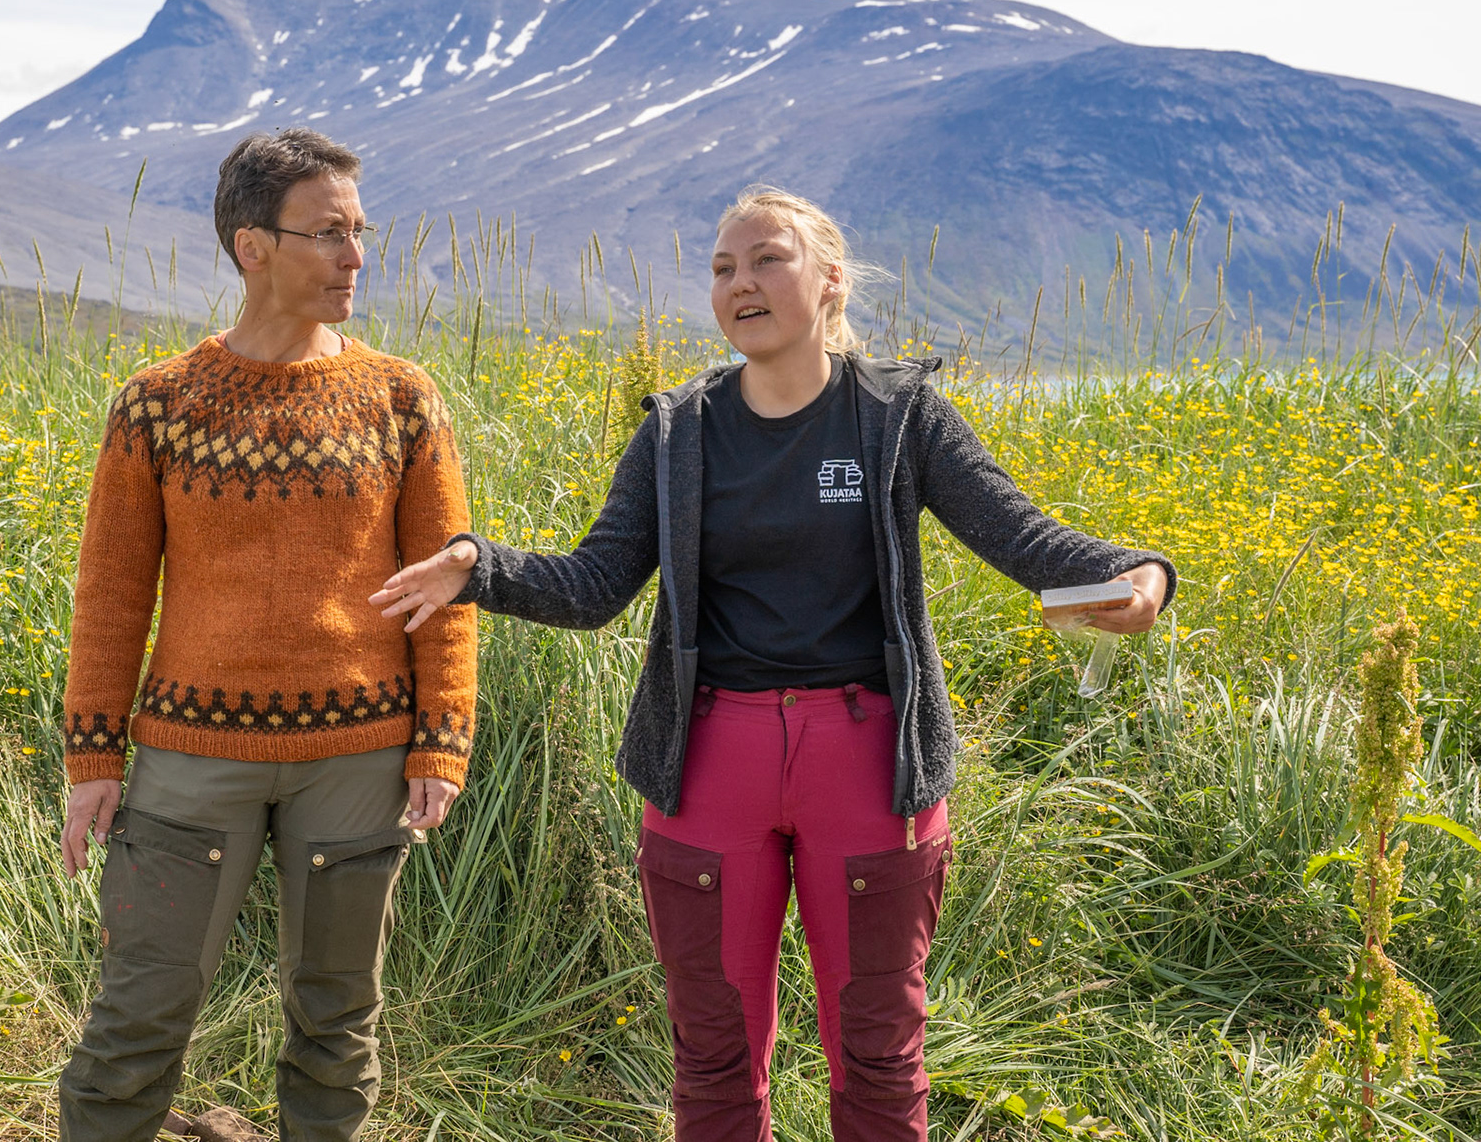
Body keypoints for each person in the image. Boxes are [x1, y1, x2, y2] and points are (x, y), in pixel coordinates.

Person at [371, 185, 1174, 1142]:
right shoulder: (677, 431)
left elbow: (1021, 535)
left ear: (830, 281)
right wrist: (479, 566)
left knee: (879, 1051)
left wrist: (1142, 573)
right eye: (723, 268)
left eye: (766, 260)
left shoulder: (899, 418)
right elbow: (594, 586)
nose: (740, 282)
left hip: (871, 765)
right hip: (710, 764)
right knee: (711, 1051)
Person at [56, 128, 478, 1142]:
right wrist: (92, 755)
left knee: (338, 1021)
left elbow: (444, 588)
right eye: (328, 233)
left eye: (358, 232)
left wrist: (441, 738)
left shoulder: (402, 398)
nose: (355, 256)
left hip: (361, 759)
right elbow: (111, 595)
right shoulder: (158, 405)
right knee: (137, 1015)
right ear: (253, 246)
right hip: (192, 758)